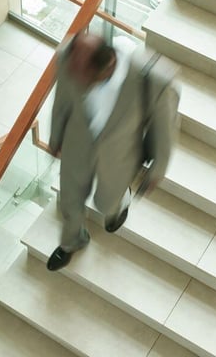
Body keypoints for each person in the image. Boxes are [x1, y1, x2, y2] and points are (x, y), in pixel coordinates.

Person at [47, 32, 180, 271]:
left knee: (107, 202)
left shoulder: (153, 80)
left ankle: (120, 203)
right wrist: (55, 136)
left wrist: (158, 167)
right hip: (78, 142)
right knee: (69, 199)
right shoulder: (70, 58)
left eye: (85, 81)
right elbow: (62, 99)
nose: (78, 84)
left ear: (108, 64)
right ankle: (71, 242)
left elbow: (165, 130)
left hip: (121, 154)